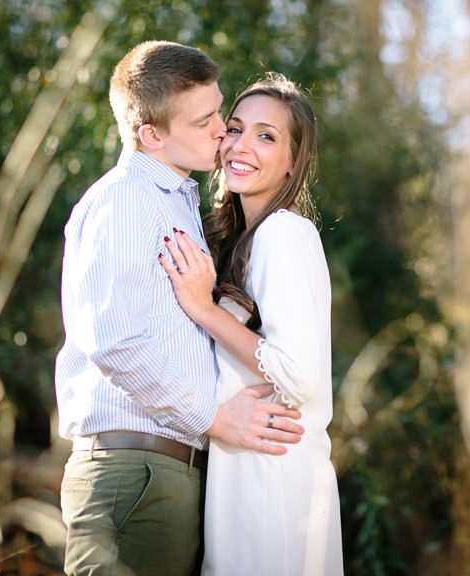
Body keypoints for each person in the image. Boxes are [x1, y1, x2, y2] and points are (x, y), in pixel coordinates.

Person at [55, 42, 304, 576]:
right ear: (151, 135)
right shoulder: (125, 202)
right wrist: (213, 417)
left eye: (219, 111)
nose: (222, 130)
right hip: (132, 471)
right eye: (206, 120)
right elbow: (113, 340)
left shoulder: (178, 202)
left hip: (166, 473)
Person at [159, 73, 344, 575]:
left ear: (292, 164)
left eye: (267, 136)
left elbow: (298, 374)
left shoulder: (284, 233)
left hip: (272, 480)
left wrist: (203, 309)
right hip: (243, 471)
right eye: (236, 128)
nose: (242, 145)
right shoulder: (246, 240)